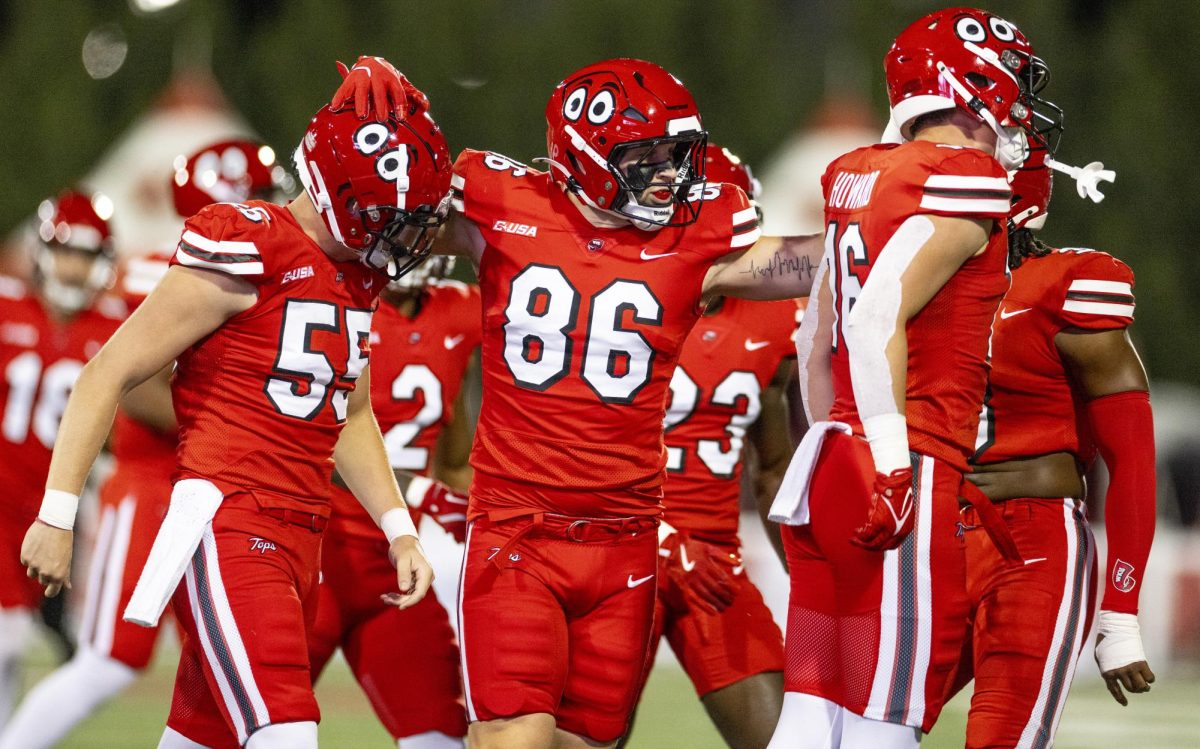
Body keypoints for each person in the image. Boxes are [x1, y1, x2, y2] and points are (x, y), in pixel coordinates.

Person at [332, 55, 824, 749]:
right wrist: (366, 132)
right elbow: (376, 209)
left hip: (625, 543)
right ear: (590, 155)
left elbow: (818, 258)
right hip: (519, 532)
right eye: (648, 155)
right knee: (515, 738)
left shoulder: (698, 234)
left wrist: (897, 220)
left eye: (676, 153)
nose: (671, 173)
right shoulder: (501, 204)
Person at [18, 96, 446, 748]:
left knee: (201, 736)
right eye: (393, 213)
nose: (403, 234)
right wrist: (56, 513)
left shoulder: (355, 277)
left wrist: (397, 527)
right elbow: (108, 371)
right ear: (345, 194)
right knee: (286, 731)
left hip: (303, 533)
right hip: (231, 523)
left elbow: (348, 410)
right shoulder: (248, 242)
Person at [771, 8, 1060, 747]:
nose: (1021, 111)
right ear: (971, 84)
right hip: (907, 461)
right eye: (1014, 86)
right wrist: (895, 470)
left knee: (810, 709)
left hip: (831, 456)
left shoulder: (855, 171)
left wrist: (838, 442)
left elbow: (814, 340)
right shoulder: (966, 177)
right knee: (884, 720)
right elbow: (871, 323)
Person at [0, 139, 286, 749]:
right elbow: (127, 388)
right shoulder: (165, 270)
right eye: (259, 198)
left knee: (215, 679)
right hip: (158, 486)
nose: (274, 209)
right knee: (108, 659)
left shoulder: (272, 275)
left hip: (227, 499)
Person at [953, 144, 1155, 747]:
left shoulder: (1064, 285)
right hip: (929, 532)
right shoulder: (913, 284)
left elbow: (1133, 460)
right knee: (861, 728)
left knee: (999, 737)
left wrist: (1120, 611)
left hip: (1029, 543)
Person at [617, 145, 790, 749]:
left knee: (787, 739)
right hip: (616, 553)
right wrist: (662, 541)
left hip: (715, 562)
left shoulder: (774, 319)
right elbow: (574, 441)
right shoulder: (616, 298)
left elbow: (774, 470)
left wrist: (812, 583)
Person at [307, 254, 481, 749]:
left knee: (442, 737)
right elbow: (309, 444)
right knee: (256, 729)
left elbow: (453, 460)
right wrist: (423, 492)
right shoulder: (333, 302)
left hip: (395, 573)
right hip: (313, 559)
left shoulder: (460, 311)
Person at [0, 190, 125, 731]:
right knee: (7, 638)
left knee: (55, 645)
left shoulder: (116, 327)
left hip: (57, 511)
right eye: (68, 251)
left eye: (88, 255)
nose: (75, 267)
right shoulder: (6, 305)